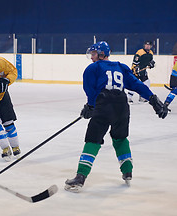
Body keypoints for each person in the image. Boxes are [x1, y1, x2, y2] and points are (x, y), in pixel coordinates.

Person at [64, 41, 168, 193]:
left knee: (93, 139)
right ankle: (127, 171)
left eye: (94, 54)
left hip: (104, 106)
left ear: (101, 54)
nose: (92, 57)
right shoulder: (121, 66)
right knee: (120, 138)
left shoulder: (93, 68)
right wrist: (152, 99)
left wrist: (90, 106)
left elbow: (90, 90)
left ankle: (80, 177)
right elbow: (137, 84)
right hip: (122, 106)